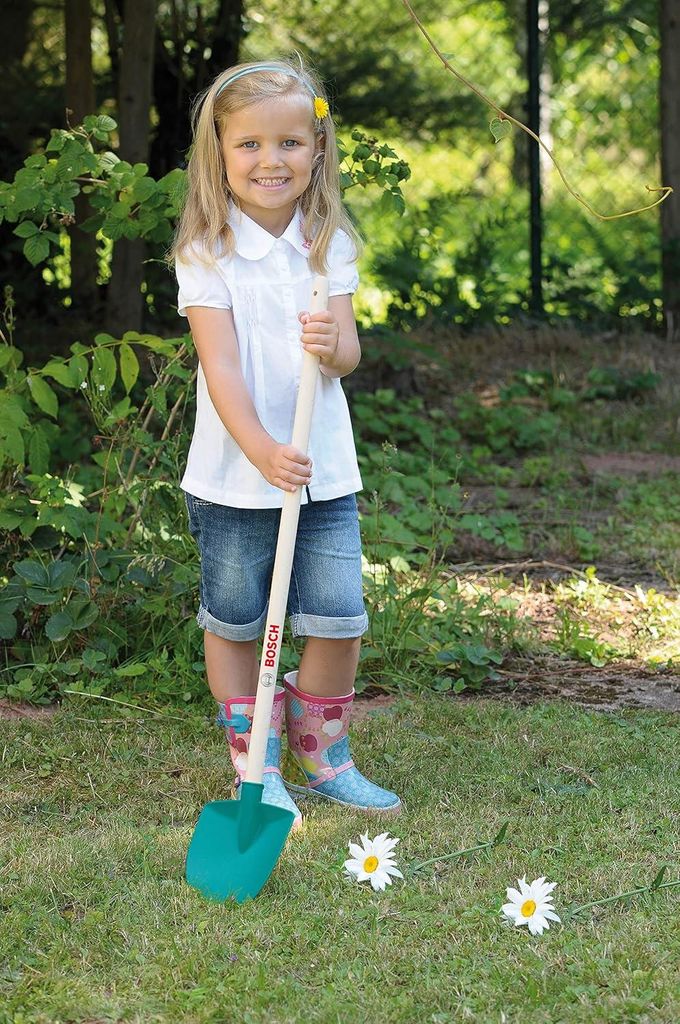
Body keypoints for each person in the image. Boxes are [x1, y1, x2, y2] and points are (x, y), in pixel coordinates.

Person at [171, 56, 401, 828]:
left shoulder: (327, 243)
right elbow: (222, 369)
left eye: (291, 143)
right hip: (239, 474)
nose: (272, 161)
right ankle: (256, 765)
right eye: (250, 145)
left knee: (337, 616)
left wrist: (329, 342)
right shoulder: (208, 251)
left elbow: (349, 356)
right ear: (220, 154)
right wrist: (264, 449)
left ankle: (323, 755)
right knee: (235, 616)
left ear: (317, 149)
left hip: (323, 469)